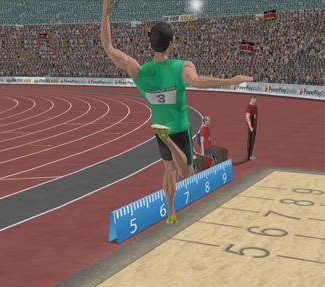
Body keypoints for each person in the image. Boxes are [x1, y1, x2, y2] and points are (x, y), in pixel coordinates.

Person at [99, 0, 251, 224]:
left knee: (170, 171)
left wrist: (105, 16)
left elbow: (108, 47)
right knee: (187, 174)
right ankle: (170, 145)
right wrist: (230, 80)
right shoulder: (182, 67)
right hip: (179, 129)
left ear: (151, 45)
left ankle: (171, 212)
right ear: (170, 44)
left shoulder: (139, 72)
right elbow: (198, 81)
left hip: (159, 128)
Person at [246, 95, 258, 161]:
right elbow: (247, 117)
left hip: (254, 126)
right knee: (250, 141)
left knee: (253, 141)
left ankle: (250, 154)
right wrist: (250, 126)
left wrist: (257, 125)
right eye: (254, 99)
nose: (255, 100)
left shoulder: (255, 107)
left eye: (255, 99)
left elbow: (255, 117)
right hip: (251, 127)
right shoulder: (249, 107)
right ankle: (248, 156)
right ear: (251, 99)